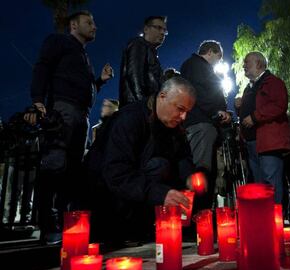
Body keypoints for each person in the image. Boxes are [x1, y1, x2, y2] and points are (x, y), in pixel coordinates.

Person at [26, 11, 114, 244]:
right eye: (89, 22)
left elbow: (82, 89)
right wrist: (37, 100)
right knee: (55, 165)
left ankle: (67, 225)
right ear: (73, 25)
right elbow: (42, 66)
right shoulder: (59, 41)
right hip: (63, 110)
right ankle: (48, 225)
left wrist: (99, 82)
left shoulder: (82, 54)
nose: (95, 26)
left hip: (81, 114)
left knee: (73, 170)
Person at [89, 77, 196, 244]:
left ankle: (146, 225)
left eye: (187, 112)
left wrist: (190, 176)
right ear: (162, 96)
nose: (183, 117)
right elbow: (116, 173)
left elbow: (183, 156)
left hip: (136, 190)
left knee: (165, 167)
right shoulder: (129, 119)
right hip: (104, 200)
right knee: (159, 166)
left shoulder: (173, 126)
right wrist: (161, 194)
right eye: (180, 109)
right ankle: (128, 227)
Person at [180, 40, 231, 209]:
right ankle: (198, 214)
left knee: (204, 169)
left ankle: (201, 213)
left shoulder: (195, 66)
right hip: (201, 123)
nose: (219, 61)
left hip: (203, 122)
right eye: (219, 57)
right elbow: (201, 94)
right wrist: (217, 111)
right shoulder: (196, 66)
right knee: (201, 170)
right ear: (210, 52)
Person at [238, 51, 290, 203]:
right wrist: (239, 108)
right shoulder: (249, 88)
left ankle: (276, 219)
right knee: (260, 185)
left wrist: (254, 117)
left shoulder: (273, 82)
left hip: (268, 142)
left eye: (247, 62)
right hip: (252, 142)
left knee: (271, 182)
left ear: (259, 64)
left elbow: (279, 105)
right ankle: (265, 219)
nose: (244, 66)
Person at [119, 16, 167, 109]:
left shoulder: (151, 52)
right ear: (146, 29)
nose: (162, 33)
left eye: (164, 30)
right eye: (158, 28)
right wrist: (144, 107)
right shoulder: (138, 44)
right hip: (136, 110)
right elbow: (134, 76)